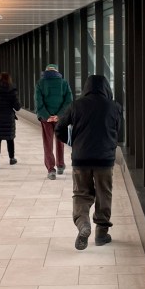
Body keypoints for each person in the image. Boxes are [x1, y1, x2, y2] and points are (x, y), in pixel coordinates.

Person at [55, 75, 122, 250]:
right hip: (104, 160)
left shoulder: (76, 105)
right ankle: (101, 233)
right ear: (106, 88)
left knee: (81, 194)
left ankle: (83, 223)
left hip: (81, 159)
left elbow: (59, 128)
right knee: (104, 194)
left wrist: (73, 143)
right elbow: (117, 132)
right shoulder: (114, 107)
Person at [35, 64, 73, 180]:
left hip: (46, 119)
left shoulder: (40, 83)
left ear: (46, 71)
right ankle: (60, 165)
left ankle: (51, 169)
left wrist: (47, 116)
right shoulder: (64, 83)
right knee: (60, 140)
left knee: (47, 143)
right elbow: (69, 101)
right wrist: (59, 115)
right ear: (57, 71)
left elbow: (38, 101)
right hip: (60, 118)